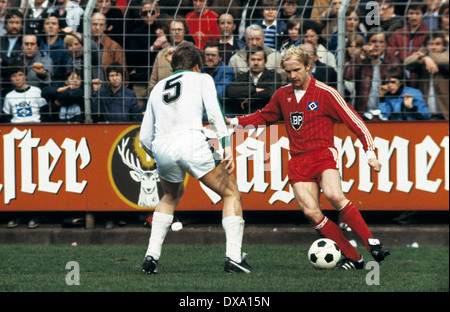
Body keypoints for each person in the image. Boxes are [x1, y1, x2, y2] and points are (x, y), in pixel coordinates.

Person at [227, 45, 390, 270]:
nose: (292, 76)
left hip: (323, 154)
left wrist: (370, 154)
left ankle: (373, 243)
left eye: (296, 70)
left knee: (334, 194)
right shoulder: (282, 95)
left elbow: (356, 123)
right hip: (298, 160)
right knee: (312, 212)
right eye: (288, 72)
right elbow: (264, 116)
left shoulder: (326, 93)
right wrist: (235, 122)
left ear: (309, 67)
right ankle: (354, 258)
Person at [139, 41, 253, 274]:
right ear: (197, 65)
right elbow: (214, 113)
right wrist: (226, 145)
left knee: (171, 195)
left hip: (162, 146)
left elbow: (143, 137)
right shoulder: (202, 79)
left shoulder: (158, 87)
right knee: (231, 193)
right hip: (191, 142)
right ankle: (233, 258)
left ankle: (151, 257)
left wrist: (159, 155)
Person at [344, 27, 401, 119]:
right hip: (363, 113)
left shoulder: (394, 62)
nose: (377, 45)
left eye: (381, 42)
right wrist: (362, 56)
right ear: (368, 43)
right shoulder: (360, 59)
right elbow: (348, 76)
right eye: (373, 41)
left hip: (387, 114)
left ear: (386, 44)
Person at [404, 32, 449, 120]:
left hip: (446, 114)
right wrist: (425, 59)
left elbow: (446, 59)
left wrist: (425, 56)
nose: (433, 47)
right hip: (426, 114)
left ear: (444, 46)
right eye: (430, 44)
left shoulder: (445, 55)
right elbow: (406, 62)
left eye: (438, 44)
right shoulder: (423, 59)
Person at [227, 46, 282, 115]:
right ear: (247, 62)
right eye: (252, 59)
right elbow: (232, 92)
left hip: (268, 118)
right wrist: (254, 89)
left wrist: (249, 99)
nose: (256, 63)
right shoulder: (241, 77)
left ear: (265, 62)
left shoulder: (274, 77)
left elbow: (271, 93)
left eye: (259, 60)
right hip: (245, 118)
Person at [39, 13, 71, 87]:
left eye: (54, 23)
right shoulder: (37, 46)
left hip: (57, 86)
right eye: (47, 23)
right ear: (43, 28)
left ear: (59, 28)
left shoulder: (65, 48)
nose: (50, 26)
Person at [201, 40, 235, 105]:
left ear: (220, 58)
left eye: (213, 55)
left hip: (220, 110)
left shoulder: (227, 71)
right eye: (207, 55)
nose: (210, 58)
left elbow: (219, 94)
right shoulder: (199, 70)